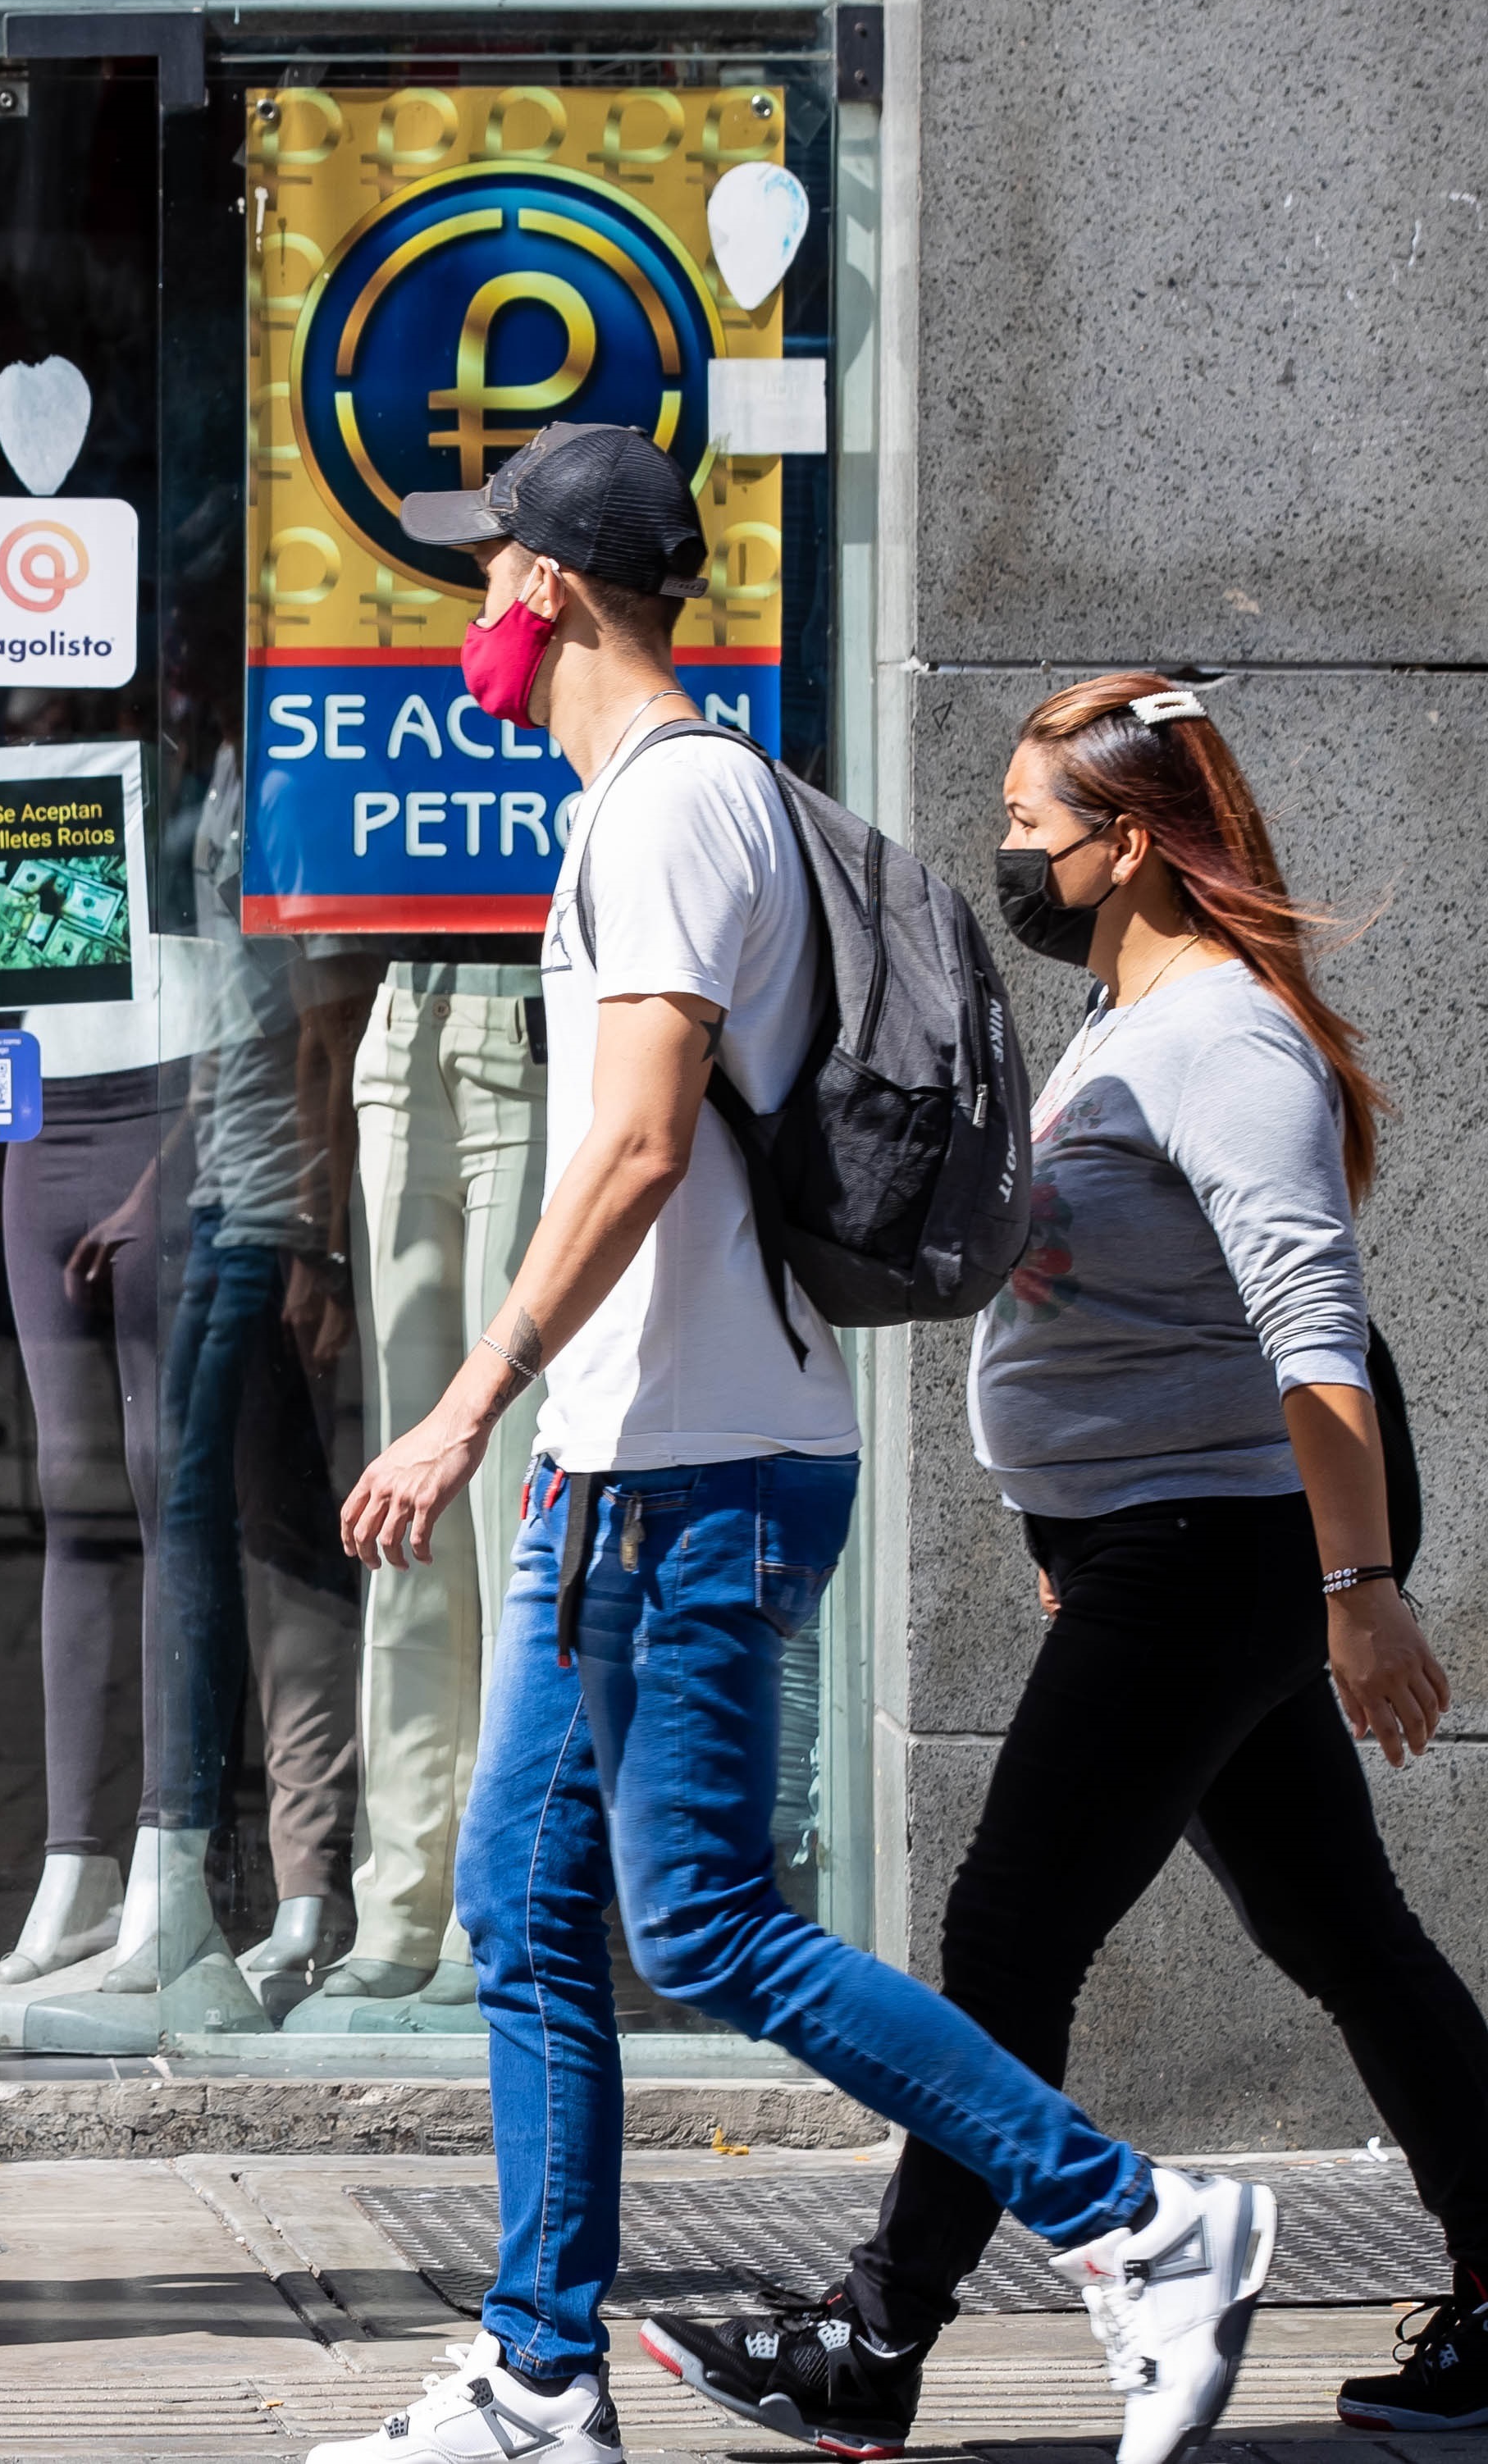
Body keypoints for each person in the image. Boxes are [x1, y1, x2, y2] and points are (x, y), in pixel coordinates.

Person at [302, 427, 1267, 2464]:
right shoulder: (694, 799)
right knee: (527, 1913)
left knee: (709, 1923)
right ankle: (540, 2373)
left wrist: (466, 1401)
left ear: (547, 589)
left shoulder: (666, 816)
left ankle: (1136, 2219)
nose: (473, 612)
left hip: (683, 1470)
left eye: (487, 575)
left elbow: (646, 1141)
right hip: (650, 1456)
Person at [646, 673, 1488, 2450]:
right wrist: (1068, 1521)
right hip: (1156, 1546)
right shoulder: (1122, 1024)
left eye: (1030, 826)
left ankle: (869, 2346)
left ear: (1125, 845)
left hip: (1216, 1551)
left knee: (1007, 1931)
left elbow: (1311, 1336)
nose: (1009, 854)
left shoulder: (1221, 1041)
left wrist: (1358, 1591)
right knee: (1341, 1926)